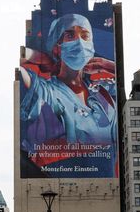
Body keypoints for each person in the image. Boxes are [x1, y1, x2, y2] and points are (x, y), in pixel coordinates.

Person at [19, 13, 118, 177]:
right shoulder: (47, 90)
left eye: (85, 35)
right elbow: (18, 62)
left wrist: (108, 65)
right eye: (70, 35)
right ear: (57, 46)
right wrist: (41, 57)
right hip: (61, 187)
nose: (79, 42)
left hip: (108, 190)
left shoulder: (102, 92)